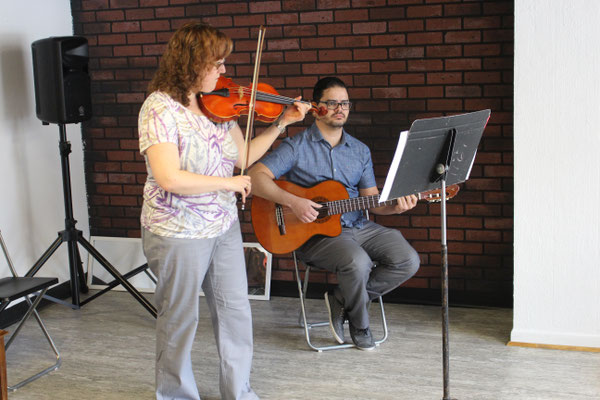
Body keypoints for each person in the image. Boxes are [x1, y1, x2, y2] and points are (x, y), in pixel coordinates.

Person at [138, 22, 310, 400]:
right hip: (177, 231)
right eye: (217, 64)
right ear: (191, 63)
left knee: (235, 313)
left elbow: (244, 156)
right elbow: (169, 177)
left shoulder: (217, 105)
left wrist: (282, 122)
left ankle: (239, 393)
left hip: (221, 226)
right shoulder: (159, 108)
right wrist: (228, 184)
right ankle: (175, 395)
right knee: (180, 319)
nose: (224, 71)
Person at [248, 77, 420, 351]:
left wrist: (394, 206)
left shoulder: (360, 150)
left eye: (345, 103)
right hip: (313, 235)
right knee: (358, 262)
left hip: (358, 226)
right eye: (332, 103)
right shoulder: (296, 146)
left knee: (407, 259)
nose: (340, 108)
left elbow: (371, 201)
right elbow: (254, 177)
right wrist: (293, 202)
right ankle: (360, 324)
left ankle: (343, 298)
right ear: (316, 107)